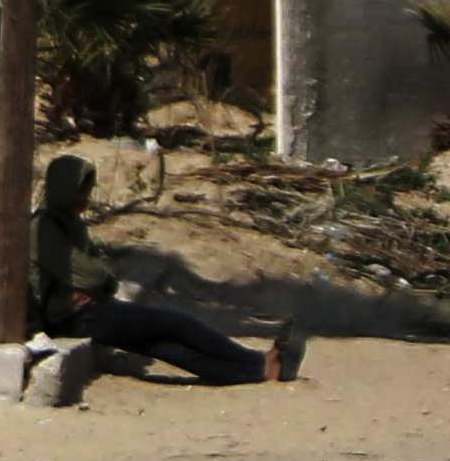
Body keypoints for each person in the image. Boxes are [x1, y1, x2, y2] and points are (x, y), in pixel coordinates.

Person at [29, 152, 301, 399]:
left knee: (165, 346)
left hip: (90, 309)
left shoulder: (71, 225)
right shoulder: (44, 227)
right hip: (71, 318)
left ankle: (258, 371)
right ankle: (261, 361)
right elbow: (94, 277)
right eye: (81, 190)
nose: (85, 197)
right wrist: (96, 278)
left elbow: (103, 276)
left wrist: (98, 277)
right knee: (176, 324)